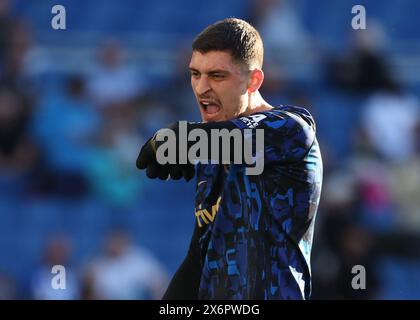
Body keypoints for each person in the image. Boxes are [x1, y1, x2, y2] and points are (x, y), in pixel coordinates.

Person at [136, 18, 323, 300]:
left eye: (217, 75)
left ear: (253, 80)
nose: (201, 88)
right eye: (195, 74)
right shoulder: (213, 153)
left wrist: (181, 138)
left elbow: (241, 137)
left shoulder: (291, 129)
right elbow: (197, 259)